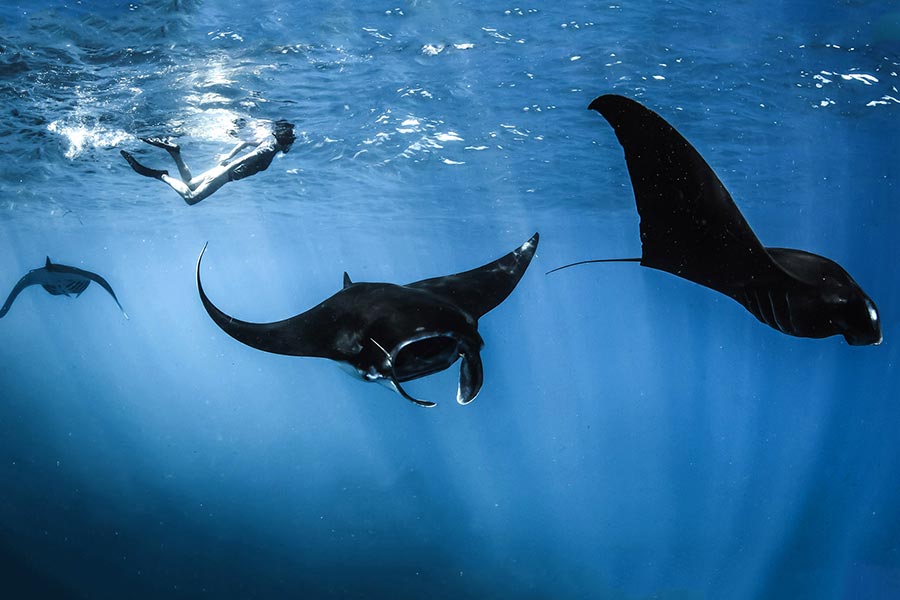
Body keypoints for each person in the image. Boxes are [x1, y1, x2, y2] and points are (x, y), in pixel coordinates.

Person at [120, 120, 295, 205]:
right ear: (287, 143)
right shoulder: (268, 150)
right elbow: (244, 159)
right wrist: (227, 166)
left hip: (224, 170)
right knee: (191, 198)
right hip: (226, 174)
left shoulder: (268, 143)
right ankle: (162, 176)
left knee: (189, 183)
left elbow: (244, 143)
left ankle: (174, 152)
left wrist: (227, 157)